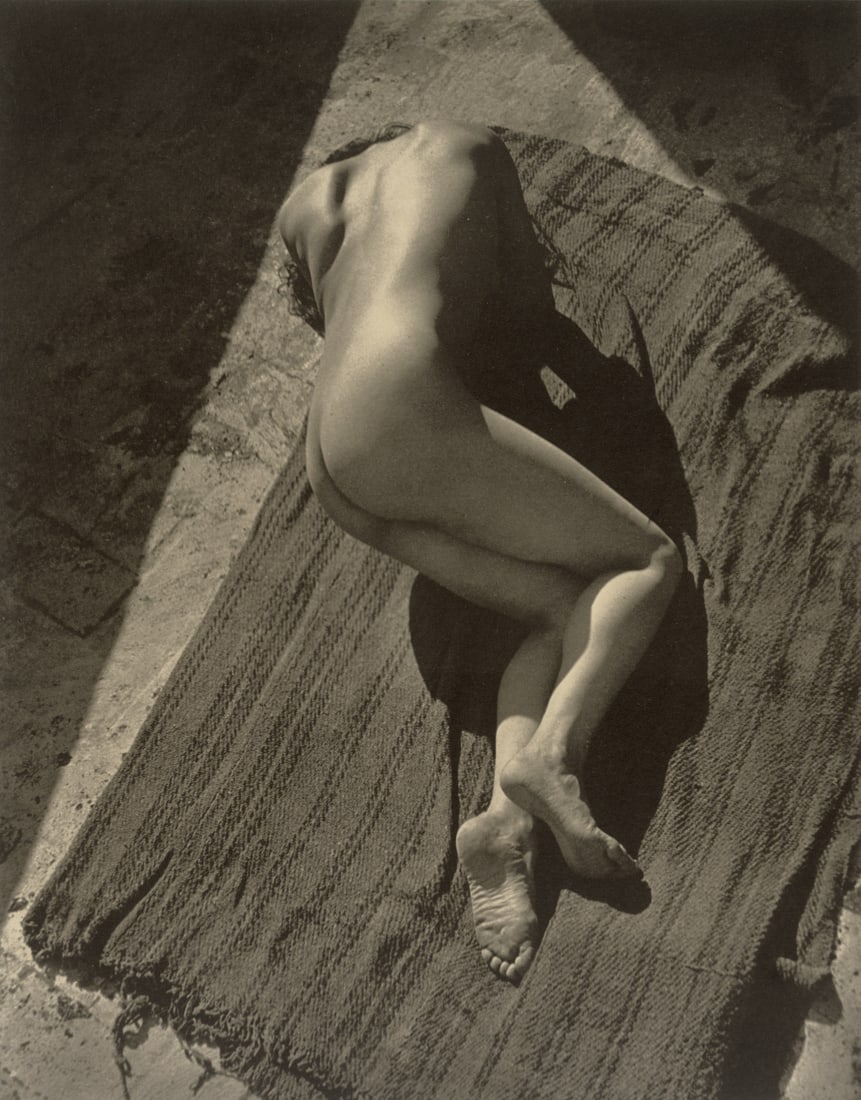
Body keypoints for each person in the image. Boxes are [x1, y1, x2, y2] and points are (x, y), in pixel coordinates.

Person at [278, 119, 682, 984]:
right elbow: (530, 314)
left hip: (328, 458)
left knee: (558, 606)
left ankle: (502, 825)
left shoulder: (301, 206)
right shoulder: (461, 140)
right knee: (645, 562)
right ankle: (549, 757)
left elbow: (336, 315)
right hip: (399, 404)